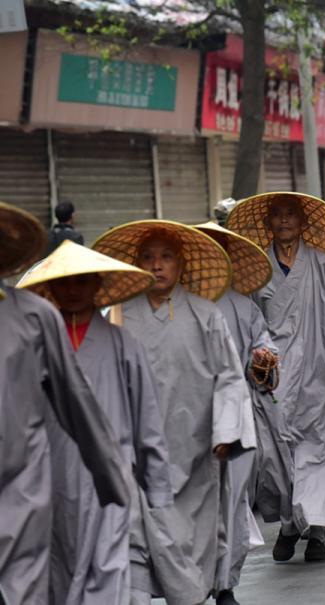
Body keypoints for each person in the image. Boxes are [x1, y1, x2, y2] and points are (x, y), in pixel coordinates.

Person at [94, 220, 257, 604]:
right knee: (141, 529)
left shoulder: (206, 315)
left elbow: (230, 378)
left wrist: (225, 432)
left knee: (196, 533)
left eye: (166, 257)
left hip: (198, 446)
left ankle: (203, 590)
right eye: (148, 257)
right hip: (138, 450)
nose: (157, 265)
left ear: (181, 265)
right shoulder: (117, 318)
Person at [17, 241, 173, 605]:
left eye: (81, 282)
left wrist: (157, 486)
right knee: (57, 572)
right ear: (50, 288)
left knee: (109, 569)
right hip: (50, 479)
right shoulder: (32, 346)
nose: (72, 291)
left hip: (111, 479)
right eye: (64, 283)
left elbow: (146, 417)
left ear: (97, 285)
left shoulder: (123, 344)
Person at [227, 192, 325, 563]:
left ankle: (318, 530)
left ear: (303, 222)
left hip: (318, 372)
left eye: (292, 215)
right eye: (278, 215)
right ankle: (290, 524)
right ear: (269, 223)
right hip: (273, 378)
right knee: (278, 456)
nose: (285, 221)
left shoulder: (324, 266)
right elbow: (250, 324)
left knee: (318, 452)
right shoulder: (257, 272)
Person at [0, 202, 129, 605]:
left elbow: (75, 400)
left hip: (20, 482)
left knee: (24, 590)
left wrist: (109, 474)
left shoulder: (35, 317)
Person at [194, 222, 288, 605]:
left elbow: (261, 345)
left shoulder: (242, 305)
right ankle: (194, 582)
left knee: (232, 503)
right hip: (185, 421)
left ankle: (226, 583)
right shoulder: (171, 307)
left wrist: (263, 358)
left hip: (234, 415)